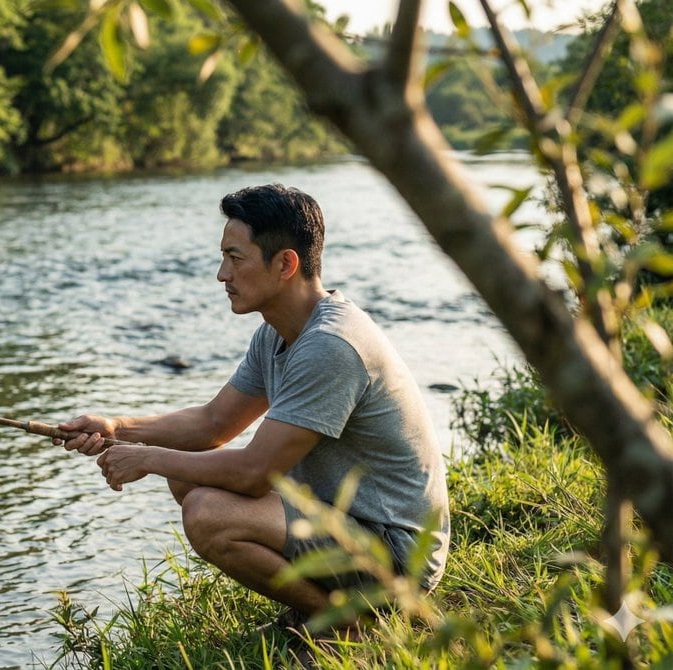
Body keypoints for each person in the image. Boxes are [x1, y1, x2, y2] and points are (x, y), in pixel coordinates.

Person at [56, 183, 449, 629]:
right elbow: (212, 423)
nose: (222, 274)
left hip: (395, 557)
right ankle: (318, 610)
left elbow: (252, 473)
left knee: (208, 512)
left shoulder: (331, 345)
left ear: (285, 264)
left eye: (235, 257)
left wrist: (146, 459)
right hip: (344, 523)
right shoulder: (278, 332)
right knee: (190, 479)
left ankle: (346, 627)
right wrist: (115, 426)